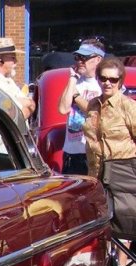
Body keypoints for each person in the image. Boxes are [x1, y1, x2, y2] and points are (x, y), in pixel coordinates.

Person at [84, 57, 136, 266]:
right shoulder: (93, 105)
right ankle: (108, 263)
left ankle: (122, 265)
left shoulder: (128, 106)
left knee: (125, 217)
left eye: (113, 80)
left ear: (120, 81)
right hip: (97, 170)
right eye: (103, 78)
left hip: (123, 167)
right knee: (102, 218)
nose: (107, 83)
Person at [57, 40, 105, 174]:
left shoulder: (106, 83)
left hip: (94, 151)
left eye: (84, 58)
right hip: (72, 150)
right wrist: (72, 78)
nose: (79, 61)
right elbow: (63, 109)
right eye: (77, 57)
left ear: (98, 59)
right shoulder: (75, 82)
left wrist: (76, 97)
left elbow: (96, 111)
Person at [0, 37, 35, 117]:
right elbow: (14, 116)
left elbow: (26, 104)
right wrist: (28, 104)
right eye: (13, 58)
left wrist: (27, 103)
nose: (16, 62)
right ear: (0, 60)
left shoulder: (6, 79)